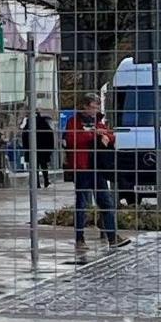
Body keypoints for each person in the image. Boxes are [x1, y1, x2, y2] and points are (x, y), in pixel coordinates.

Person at [64, 93, 124, 248]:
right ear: (84, 106)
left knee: (106, 202)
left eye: (97, 107)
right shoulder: (74, 122)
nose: (95, 110)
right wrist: (92, 135)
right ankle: (79, 238)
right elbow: (71, 139)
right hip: (82, 168)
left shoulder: (98, 121)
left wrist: (107, 137)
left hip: (98, 168)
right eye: (92, 107)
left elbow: (109, 134)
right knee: (82, 203)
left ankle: (112, 236)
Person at [31, 110, 58, 187]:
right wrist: (50, 149)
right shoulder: (45, 124)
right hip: (43, 149)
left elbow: (25, 137)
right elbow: (50, 137)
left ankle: (36, 183)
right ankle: (46, 180)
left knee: (34, 167)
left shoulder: (30, 124)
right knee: (44, 165)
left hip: (33, 150)